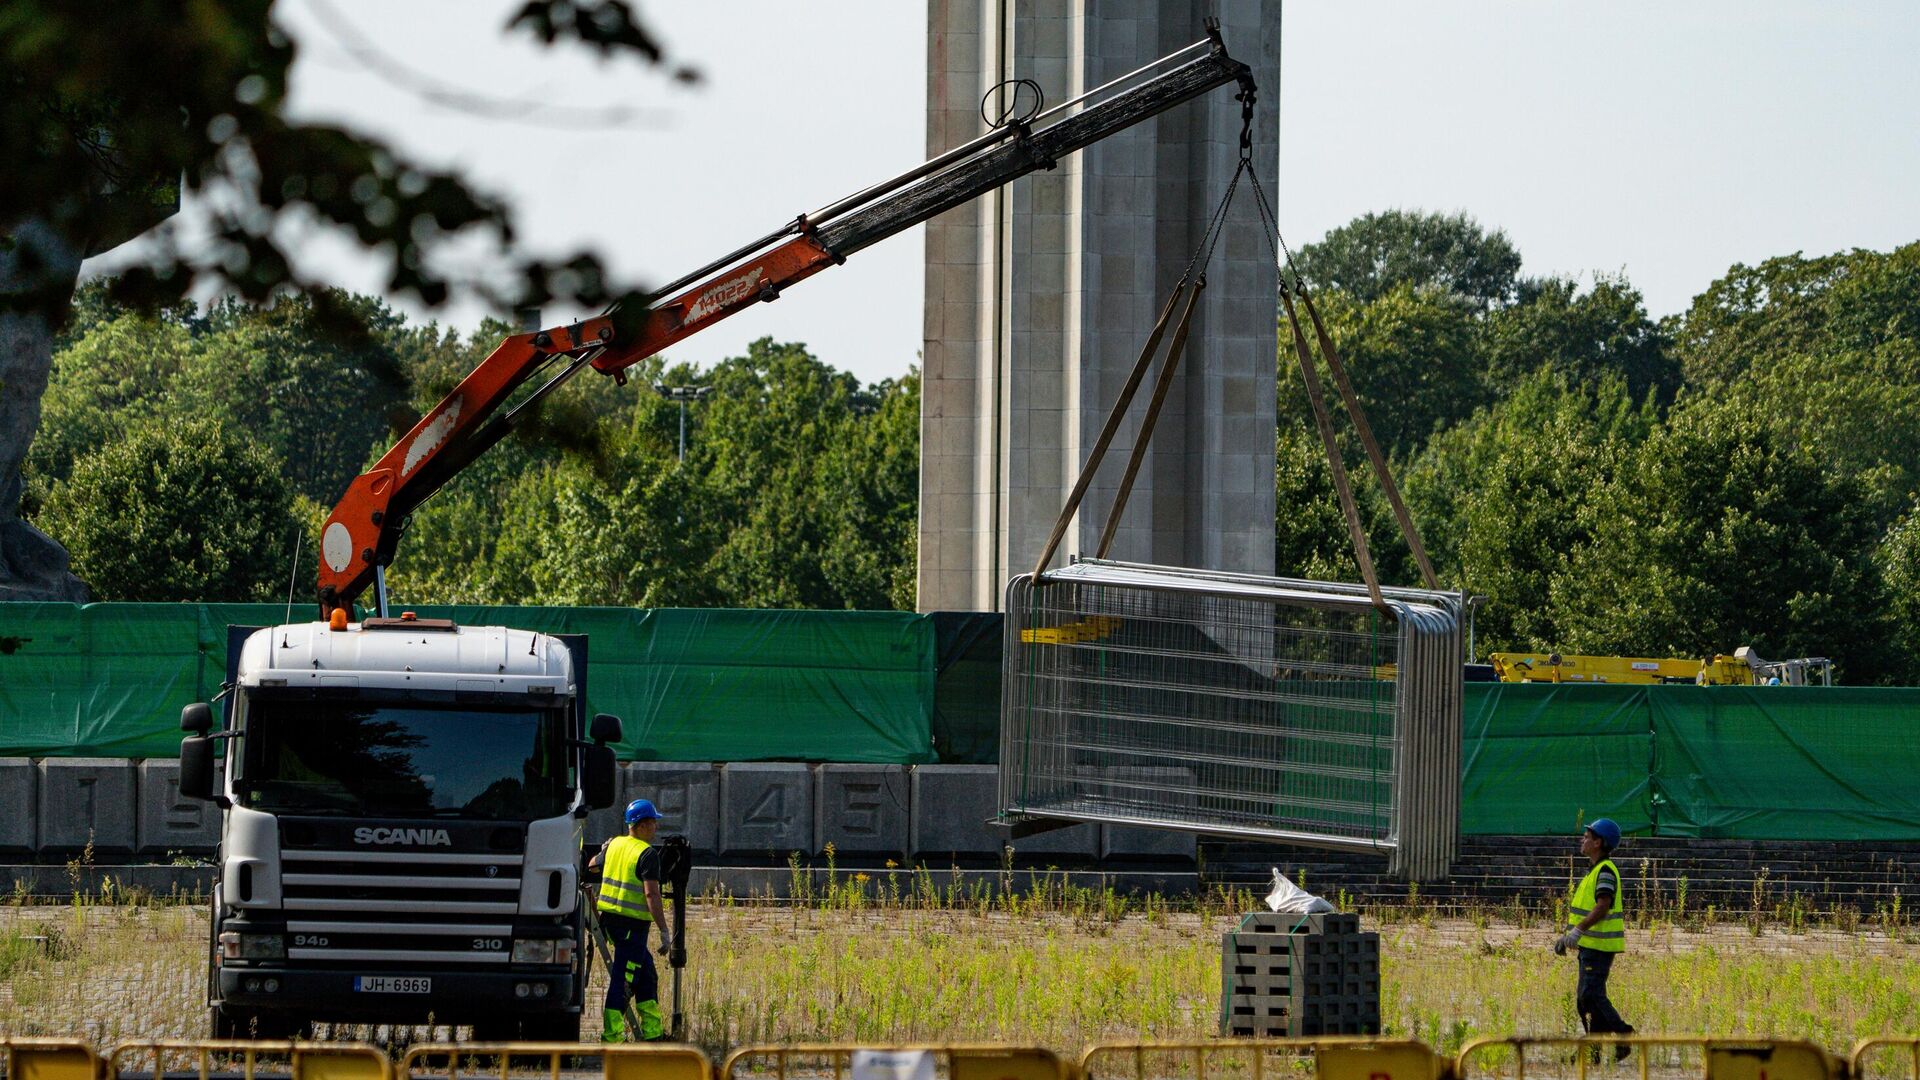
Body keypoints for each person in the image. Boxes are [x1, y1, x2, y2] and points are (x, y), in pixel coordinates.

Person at [588, 798, 672, 1042]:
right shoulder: (647, 854)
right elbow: (651, 894)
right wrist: (665, 930)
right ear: (643, 825)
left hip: (611, 924)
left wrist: (604, 852)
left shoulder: (615, 844)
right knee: (623, 982)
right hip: (632, 929)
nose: (656, 827)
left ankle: (653, 1034)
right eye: (654, 822)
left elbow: (592, 866)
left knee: (647, 975)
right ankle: (612, 1037)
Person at [1553, 817, 1634, 1058]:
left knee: (1591, 996)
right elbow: (1586, 908)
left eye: (1587, 837)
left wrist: (1578, 931)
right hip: (1590, 945)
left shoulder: (1605, 870)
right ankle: (1593, 1052)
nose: (1583, 839)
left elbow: (1602, 906)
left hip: (1599, 946)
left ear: (1598, 842)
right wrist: (1567, 937)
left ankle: (1623, 1033)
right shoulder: (1595, 871)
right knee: (1585, 1000)